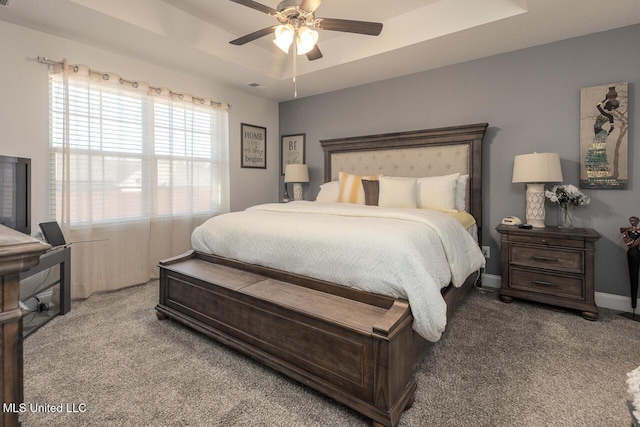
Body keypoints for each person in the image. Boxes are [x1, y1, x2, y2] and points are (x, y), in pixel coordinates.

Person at [621, 216, 640, 315]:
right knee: (632, 275)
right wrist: (631, 243)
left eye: (635, 220)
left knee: (635, 275)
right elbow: (627, 241)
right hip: (631, 253)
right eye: (631, 220)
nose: (633, 222)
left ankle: (634, 304)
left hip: (636, 253)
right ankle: (633, 305)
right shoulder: (626, 232)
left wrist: (633, 243)